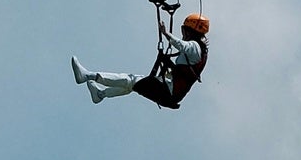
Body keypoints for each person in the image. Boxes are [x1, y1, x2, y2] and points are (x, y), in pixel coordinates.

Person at [73, 11, 210, 108]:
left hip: (168, 91)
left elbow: (181, 45)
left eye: (184, 31)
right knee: (133, 85)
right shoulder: (200, 51)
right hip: (170, 93)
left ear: (190, 32)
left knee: (131, 80)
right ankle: (100, 94)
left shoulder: (195, 47)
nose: (183, 34)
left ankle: (88, 76)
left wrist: (165, 33)